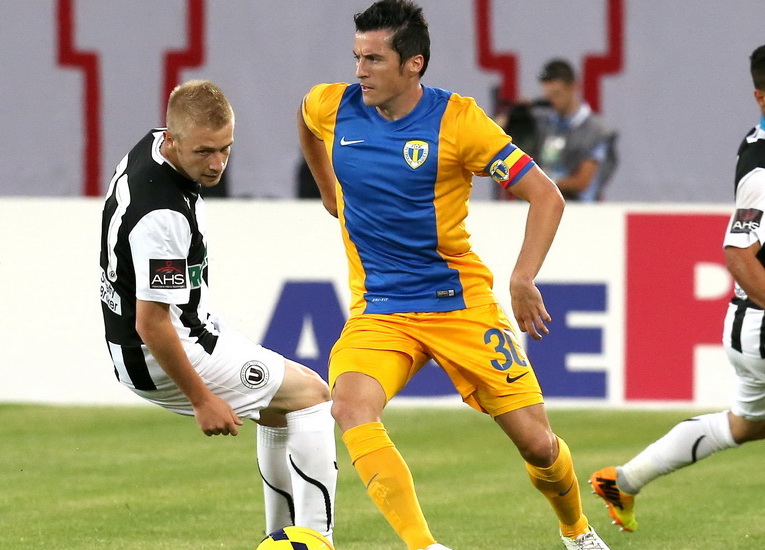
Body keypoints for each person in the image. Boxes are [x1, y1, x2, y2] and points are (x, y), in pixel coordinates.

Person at [297, 2, 611, 549]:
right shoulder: (333, 105)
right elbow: (305, 121)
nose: (360, 71)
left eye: (374, 59)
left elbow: (546, 195)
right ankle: (425, 546)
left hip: (459, 306)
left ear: (413, 64)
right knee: (348, 406)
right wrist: (329, 190)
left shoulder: (458, 121)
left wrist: (523, 277)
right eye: (357, 58)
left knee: (538, 445)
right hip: (380, 311)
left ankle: (577, 531)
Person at [99, 80, 337, 542]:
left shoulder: (152, 147)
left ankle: (280, 540)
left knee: (278, 411)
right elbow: (152, 323)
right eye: (204, 152)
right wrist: (201, 400)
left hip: (180, 328)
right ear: (173, 140)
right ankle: (316, 540)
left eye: (225, 149)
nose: (216, 164)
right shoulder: (161, 215)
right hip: (165, 348)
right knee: (313, 397)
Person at [590, 44, 765, 534]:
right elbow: (739, 256)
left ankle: (624, 480)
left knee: (745, 426)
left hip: (748, 325)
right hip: (759, 324)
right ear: (761, 97)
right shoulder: (762, 171)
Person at [532, 59, 617, 202]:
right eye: (548, 96)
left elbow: (582, 182)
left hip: (579, 208)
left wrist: (533, 182)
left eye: (557, 94)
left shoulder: (596, 130)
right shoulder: (542, 124)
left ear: (573, 87)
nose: (552, 101)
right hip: (545, 204)